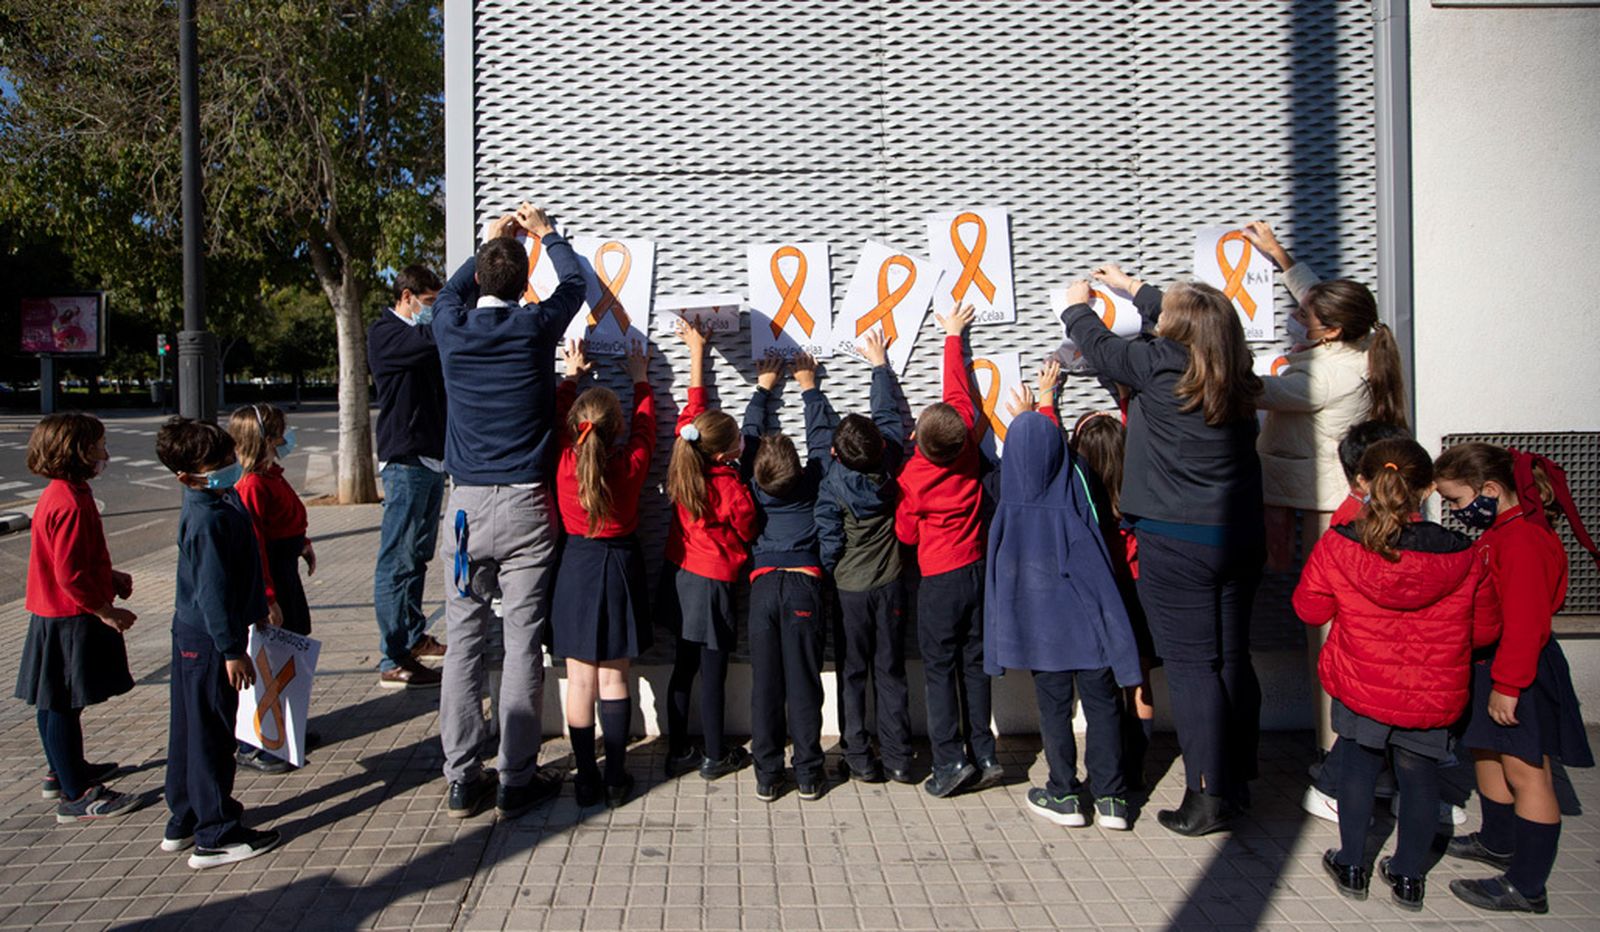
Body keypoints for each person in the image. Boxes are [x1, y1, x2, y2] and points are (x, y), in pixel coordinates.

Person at [1060, 266, 1265, 836]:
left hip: (1180, 543)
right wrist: (1136, 291)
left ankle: (1207, 795)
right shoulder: (1235, 370)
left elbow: (1099, 348)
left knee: (1195, 670)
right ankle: (1237, 779)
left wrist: (1078, 305)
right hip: (1240, 537)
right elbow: (1201, 325)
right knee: (1231, 660)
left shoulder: (1158, 365)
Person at [1241, 220, 1410, 792]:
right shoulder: (1359, 344)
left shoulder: (1328, 375)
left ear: (1332, 330)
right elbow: (1319, 301)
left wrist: (1210, 346)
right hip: (1316, 502)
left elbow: (1253, 391)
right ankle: (1347, 754)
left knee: (1328, 635)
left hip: (1315, 507)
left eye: (1309, 318)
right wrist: (1283, 259)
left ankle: (1339, 757)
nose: (1297, 317)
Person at [1294, 439, 1499, 910]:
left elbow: (1309, 607)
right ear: (1427, 488)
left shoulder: (1340, 544)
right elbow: (1485, 629)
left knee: (1359, 767)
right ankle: (1408, 877)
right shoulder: (1463, 554)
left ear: (1363, 483)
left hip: (1362, 680)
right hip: (1432, 690)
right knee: (1420, 775)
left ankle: (1351, 863)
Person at [430, 205, 586, 820]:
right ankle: (514, 778)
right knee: (522, 644)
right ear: (524, 285)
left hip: (466, 508)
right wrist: (547, 235)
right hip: (526, 505)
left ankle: (462, 778)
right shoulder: (533, 328)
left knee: (464, 644)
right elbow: (574, 285)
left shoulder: (450, 326)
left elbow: (448, 289)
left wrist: (493, 241)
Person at [1435, 442, 1596, 914]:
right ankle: (1497, 840)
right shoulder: (1502, 531)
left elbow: (1528, 623)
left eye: (1458, 501)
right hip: (1491, 664)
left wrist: (1508, 685)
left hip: (1515, 668)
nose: (1456, 512)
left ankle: (1527, 885)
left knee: (1527, 770)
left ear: (1489, 489)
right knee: (1488, 752)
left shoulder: (1522, 539)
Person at [992, 379, 1143, 831]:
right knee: (1103, 707)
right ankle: (1112, 798)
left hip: (1041, 636)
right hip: (1089, 631)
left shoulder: (1005, 506)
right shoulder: (1074, 500)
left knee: (1054, 711)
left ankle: (1063, 791)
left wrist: (1031, 417)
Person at [154, 417, 282, 868]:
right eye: (219, 462)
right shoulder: (205, 518)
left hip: (199, 634)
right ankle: (215, 832)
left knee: (191, 728)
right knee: (209, 733)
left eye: (230, 457)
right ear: (186, 476)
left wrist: (258, 603)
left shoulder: (217, 499)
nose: (231, 466)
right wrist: (232, 650)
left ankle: (184, 817)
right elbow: (211, 592)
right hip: (209, 641)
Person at [896, 302, 1002, 799]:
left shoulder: (913, 476)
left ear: (917, 437)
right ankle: (984, 751)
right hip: (979, 570)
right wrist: (954, 336)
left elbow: (907, 536)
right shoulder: (964, 440)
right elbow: (959, 392)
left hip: (939, 579)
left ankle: (949, 761)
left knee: (939, 668)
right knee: (975, 661)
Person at [15, 413, 140, 822]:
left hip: (56, 611)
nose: (106, 453)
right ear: (79, 451)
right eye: (100, 445)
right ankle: (77, 793)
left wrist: (112, 577)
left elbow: (75, 561)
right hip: (69, 616)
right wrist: (107, 611)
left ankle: (65, 770)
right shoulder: (69, 502)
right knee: (63, 704)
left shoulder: (66, 493)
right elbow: (70, 574)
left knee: (56, 701)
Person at [551, 340, 655, 808]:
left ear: (576, 428)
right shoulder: (630, 463)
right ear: (615, 430)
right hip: (621, 566)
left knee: (580, 683)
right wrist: (640, 378)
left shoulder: (564, 460)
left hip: (575, 567)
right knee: (615, 679)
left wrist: (570, 375)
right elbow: (647, 429)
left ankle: (584, 779)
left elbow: (556, 418)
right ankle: (616, 776)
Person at [1300, 419, 1414, 822]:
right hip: (1376, 657)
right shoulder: (1362, 527)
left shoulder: (1347, 523)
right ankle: (1332, 786)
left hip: (1367, 655)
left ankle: (1378, 785)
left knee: (1373, 730)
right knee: (1367, 731)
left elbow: (1311, 604)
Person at [816, 331, 915, 786]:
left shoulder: (832, 482)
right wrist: (879, 365)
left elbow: (830, 539)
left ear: (836, 453)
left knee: (853, 672)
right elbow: (887, 416)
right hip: (892, 582)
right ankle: (897, 757)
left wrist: (833, 568)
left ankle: (858, 754)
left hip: (851, 591)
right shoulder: (892, 459)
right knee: (890, 670)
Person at [661, 320, 757, 780]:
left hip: (680, 578)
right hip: (715, 584)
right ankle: (716, 755)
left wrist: (698, 352)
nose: (743, 443)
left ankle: (677, 748)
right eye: (738, 440)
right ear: (724, 456)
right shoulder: (731, 487)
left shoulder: (684, 458)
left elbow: (692, 416)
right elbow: (748, 527)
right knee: (713, 673)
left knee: (682, 667)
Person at [742, 351, 835, 802]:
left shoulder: (751, 483)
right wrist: (808, 386)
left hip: (762, 588)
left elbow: (745, 436)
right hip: (804, 583)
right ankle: (809, 774)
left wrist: (763, 388)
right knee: (804, 682)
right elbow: (823, 440)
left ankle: (766, 774)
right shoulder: (816, 479)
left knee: (766, 685)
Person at [368, 264, 448, 689]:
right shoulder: (386, 333)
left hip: (431, 460)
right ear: (407, 297)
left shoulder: (418, 335)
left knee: (417, 556)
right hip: (406, 460)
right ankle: (391, 655)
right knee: (396, 559)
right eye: (430, 303)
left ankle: (413, 638)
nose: (434, 312)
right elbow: (432, 337)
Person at [1069, 407, 1157, 792]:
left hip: (1101, 593)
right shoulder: (1138, 494)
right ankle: (1137, 766)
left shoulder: (1084, 506)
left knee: (1101, 684)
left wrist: (1044, 401)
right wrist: (1124, 401)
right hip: (1138, 591)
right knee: (1139, 680)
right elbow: (1135, 434)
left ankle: (1108, 769)